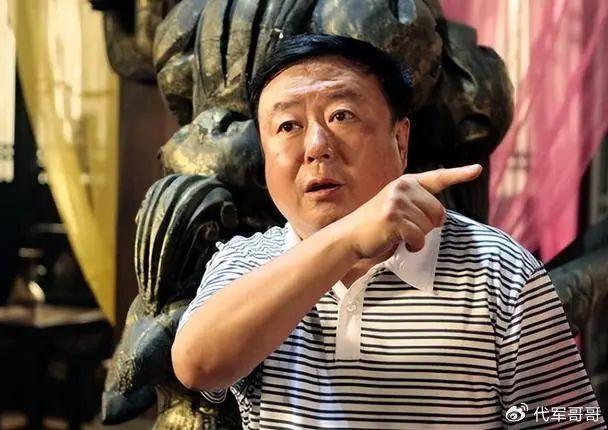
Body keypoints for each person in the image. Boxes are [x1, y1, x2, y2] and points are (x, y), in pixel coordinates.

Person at [171, 34, 605, 429]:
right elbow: (197, 365)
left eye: (341, 115)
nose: (316, 146)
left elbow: (566, 417)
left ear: (400, 140)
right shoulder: (245, 261)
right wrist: (348, 239)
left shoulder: (497, 267)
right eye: (288, 126)